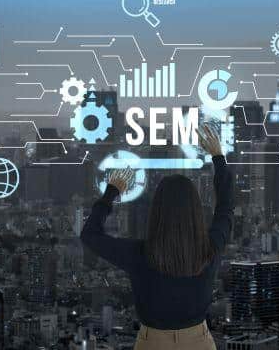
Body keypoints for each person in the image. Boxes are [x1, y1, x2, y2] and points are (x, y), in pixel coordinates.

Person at [80, 125, 234, 350]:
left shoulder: (139, 254)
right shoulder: (209, 249)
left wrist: (112, 191)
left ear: (157, 212)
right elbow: (226, 207)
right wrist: (218, 157)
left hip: (152, 343)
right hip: (199, 342)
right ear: (196, 211)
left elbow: (90, 235)